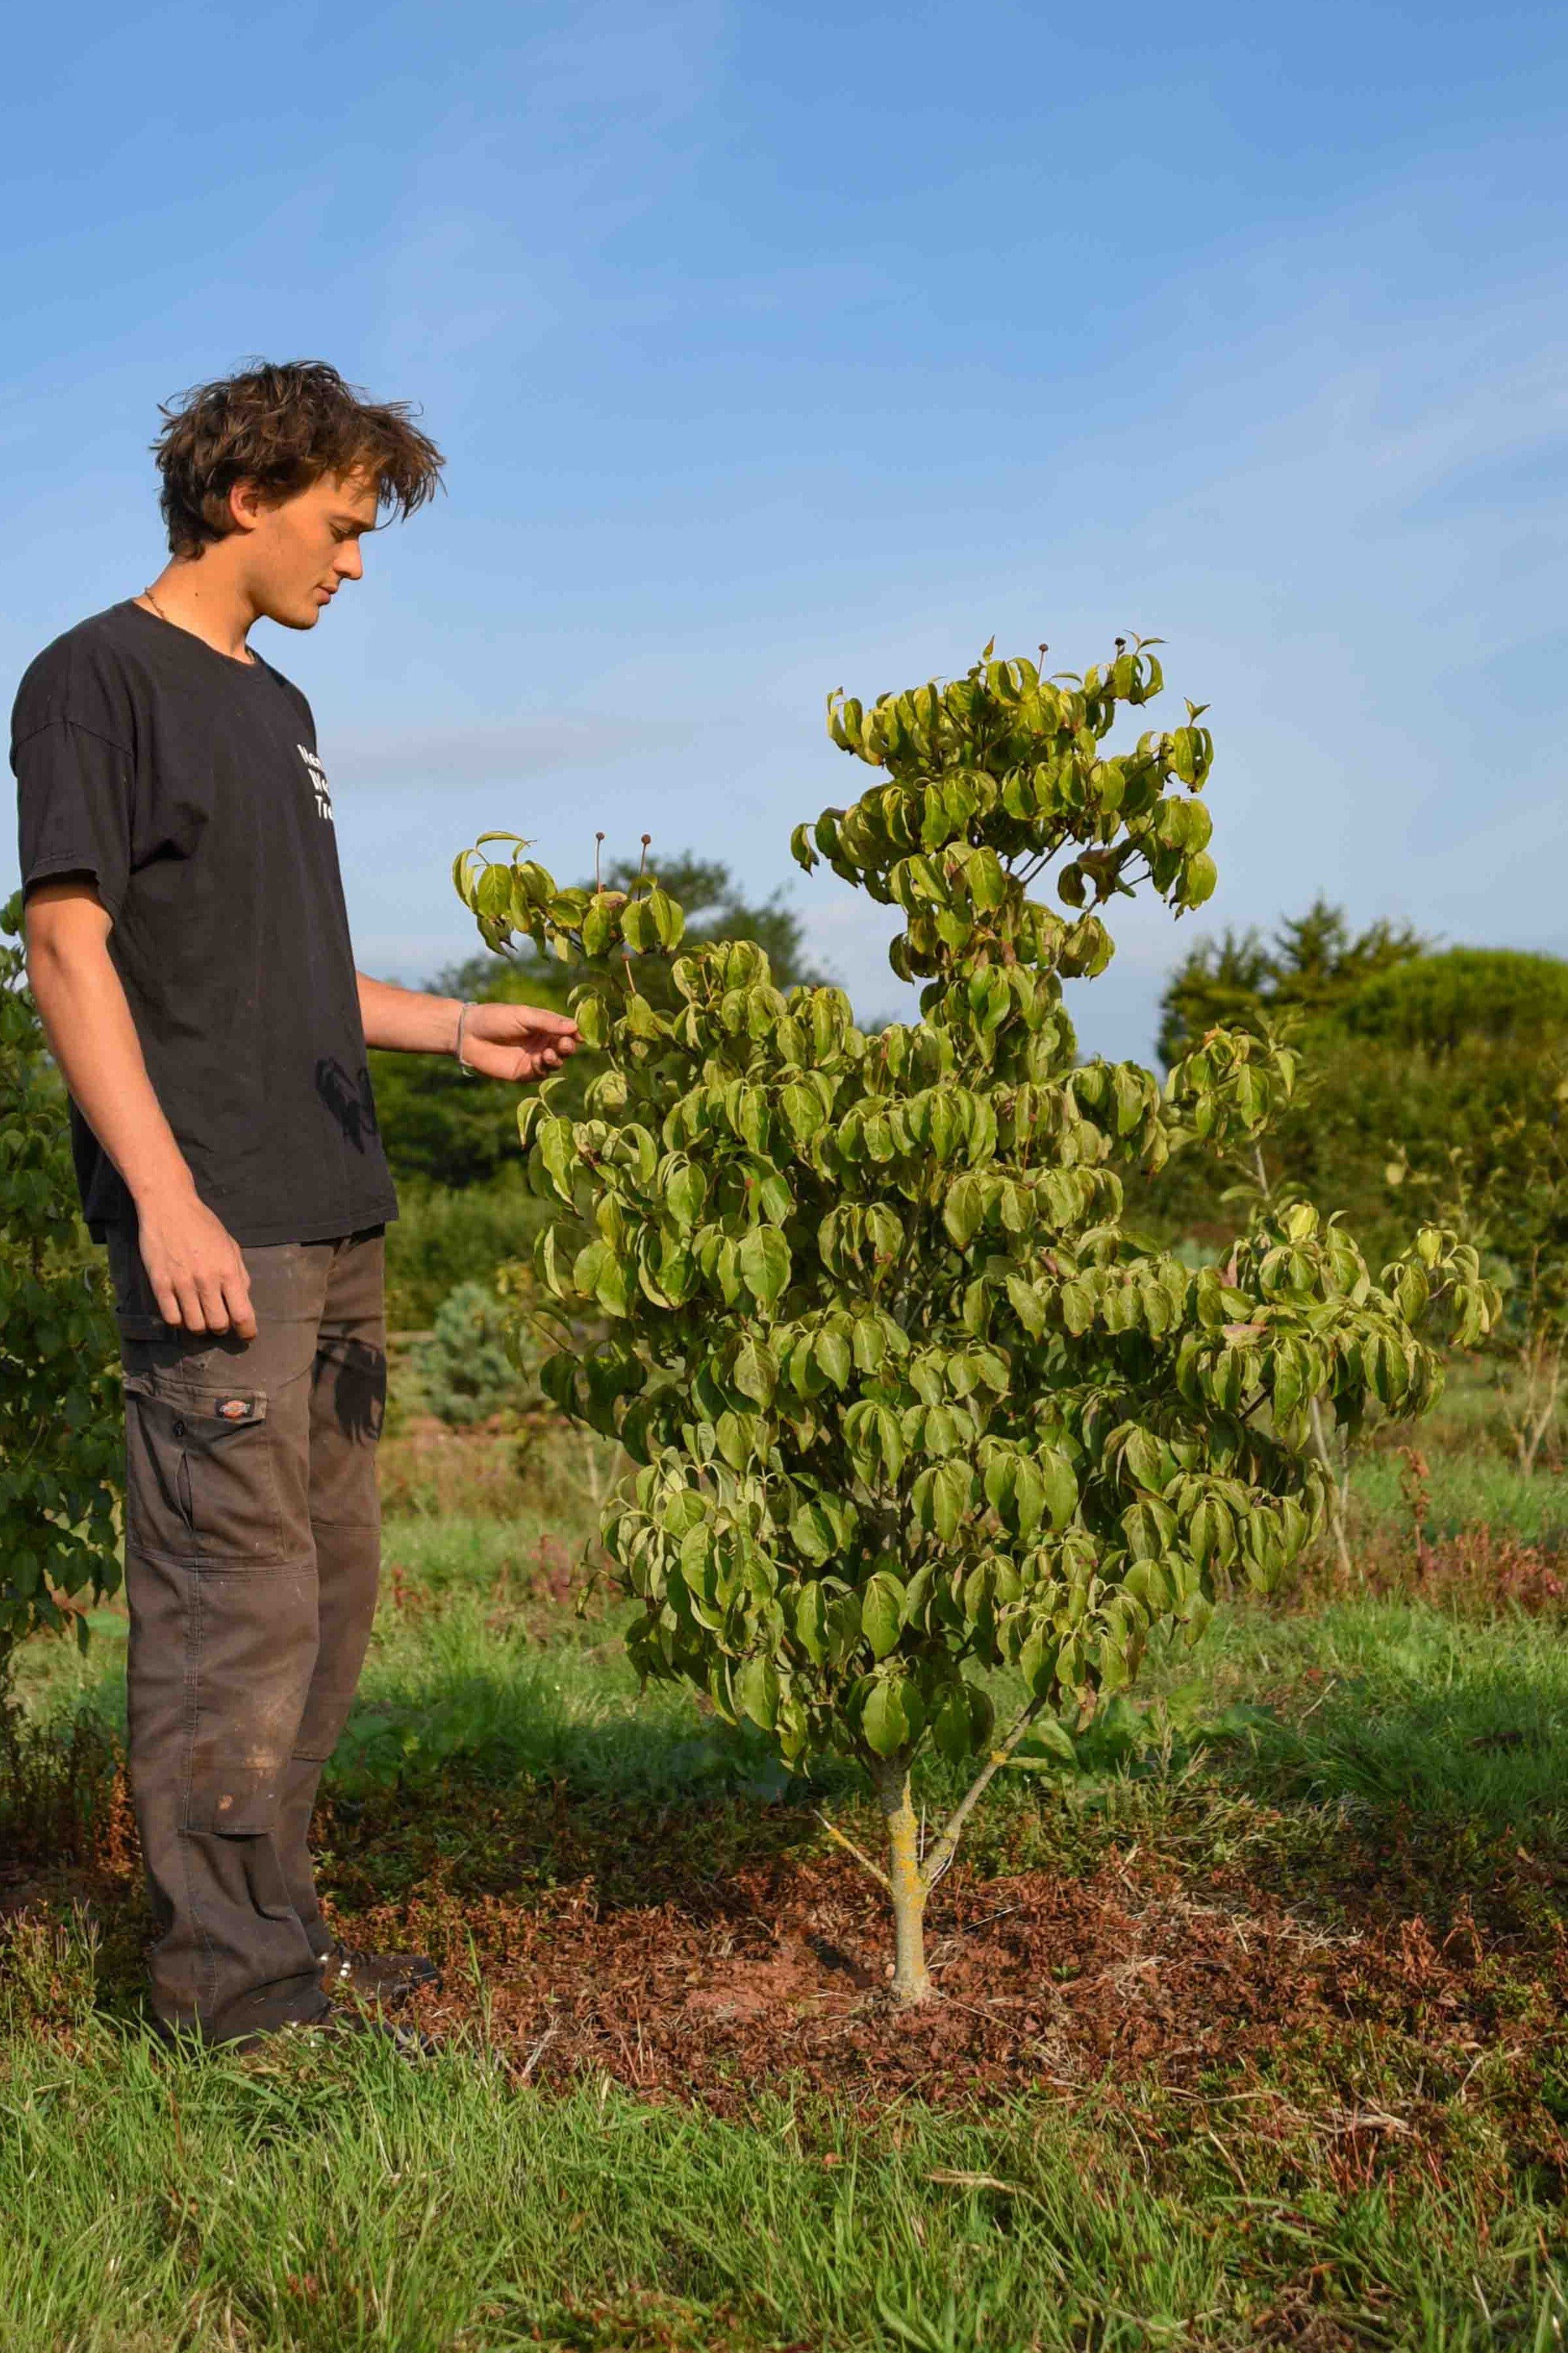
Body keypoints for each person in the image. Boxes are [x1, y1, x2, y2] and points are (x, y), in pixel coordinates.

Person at [10, 359, 579, 2049]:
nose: (355, 561)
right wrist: (166, 1197)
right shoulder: (93, 679)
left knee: (322, 1608)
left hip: (334, 1213)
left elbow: (274, 970)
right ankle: (227, 1998)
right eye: (340, 526)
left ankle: (278, 1938)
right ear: (245, 497)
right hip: (223, 1227)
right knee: (227, 1615)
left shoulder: (275, 706)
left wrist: (449, 1023)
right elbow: (66, 942)